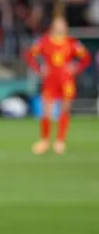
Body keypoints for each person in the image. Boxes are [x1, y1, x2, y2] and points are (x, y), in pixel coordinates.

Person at [26, 16, 90, 155]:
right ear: (53, 26)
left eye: (63, 24)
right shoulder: (45, 41)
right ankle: (45, 140)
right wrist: (39, 69)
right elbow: (30, 55)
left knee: (65, 108)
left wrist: (75, 68)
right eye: (58, 24)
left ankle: (60, 141)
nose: (60, 26)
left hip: (66, 79)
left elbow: (86, 58)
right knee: (46, 110)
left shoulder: (72, 42)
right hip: (50, 79)